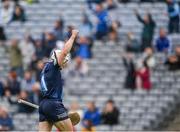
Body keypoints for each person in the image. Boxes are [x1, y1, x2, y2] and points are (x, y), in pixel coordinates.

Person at [39, 30, 79, 131]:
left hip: (43, 104)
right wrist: (73, 36)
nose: (64, 59)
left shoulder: (46, 68)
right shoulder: (53, 66)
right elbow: (65, 51)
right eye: (63, 58)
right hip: (53, 104)